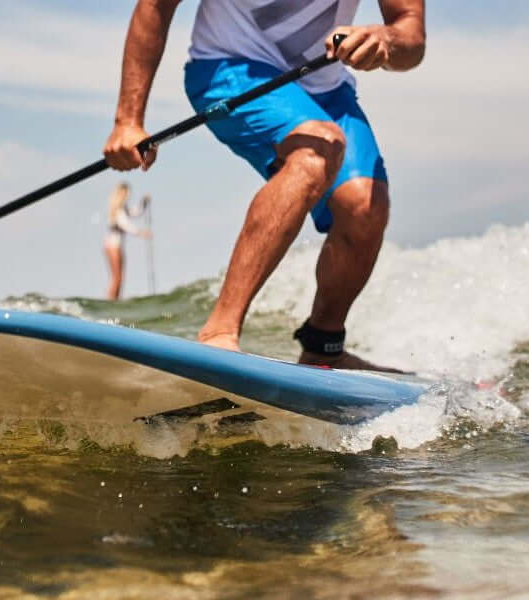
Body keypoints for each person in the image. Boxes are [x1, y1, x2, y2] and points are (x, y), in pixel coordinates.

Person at [103, 0, 424, 371]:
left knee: (365, 207)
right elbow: (156, 6)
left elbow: (410, 33)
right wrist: (128, 119)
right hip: (229, 64)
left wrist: (385, 40)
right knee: (314, 150)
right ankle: (218, 335)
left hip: (325, 86)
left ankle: (323, 346)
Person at [103, 182, 152, 300]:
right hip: (112, 246)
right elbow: (126, 226)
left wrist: (143, 203)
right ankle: (110, 301)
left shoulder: (124, 209)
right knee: (117, 277)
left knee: (120, 277)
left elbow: (136, 212)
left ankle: (115, 300)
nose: (128, 197)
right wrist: (141, 232)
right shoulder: (118, 211)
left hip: (117, 246)